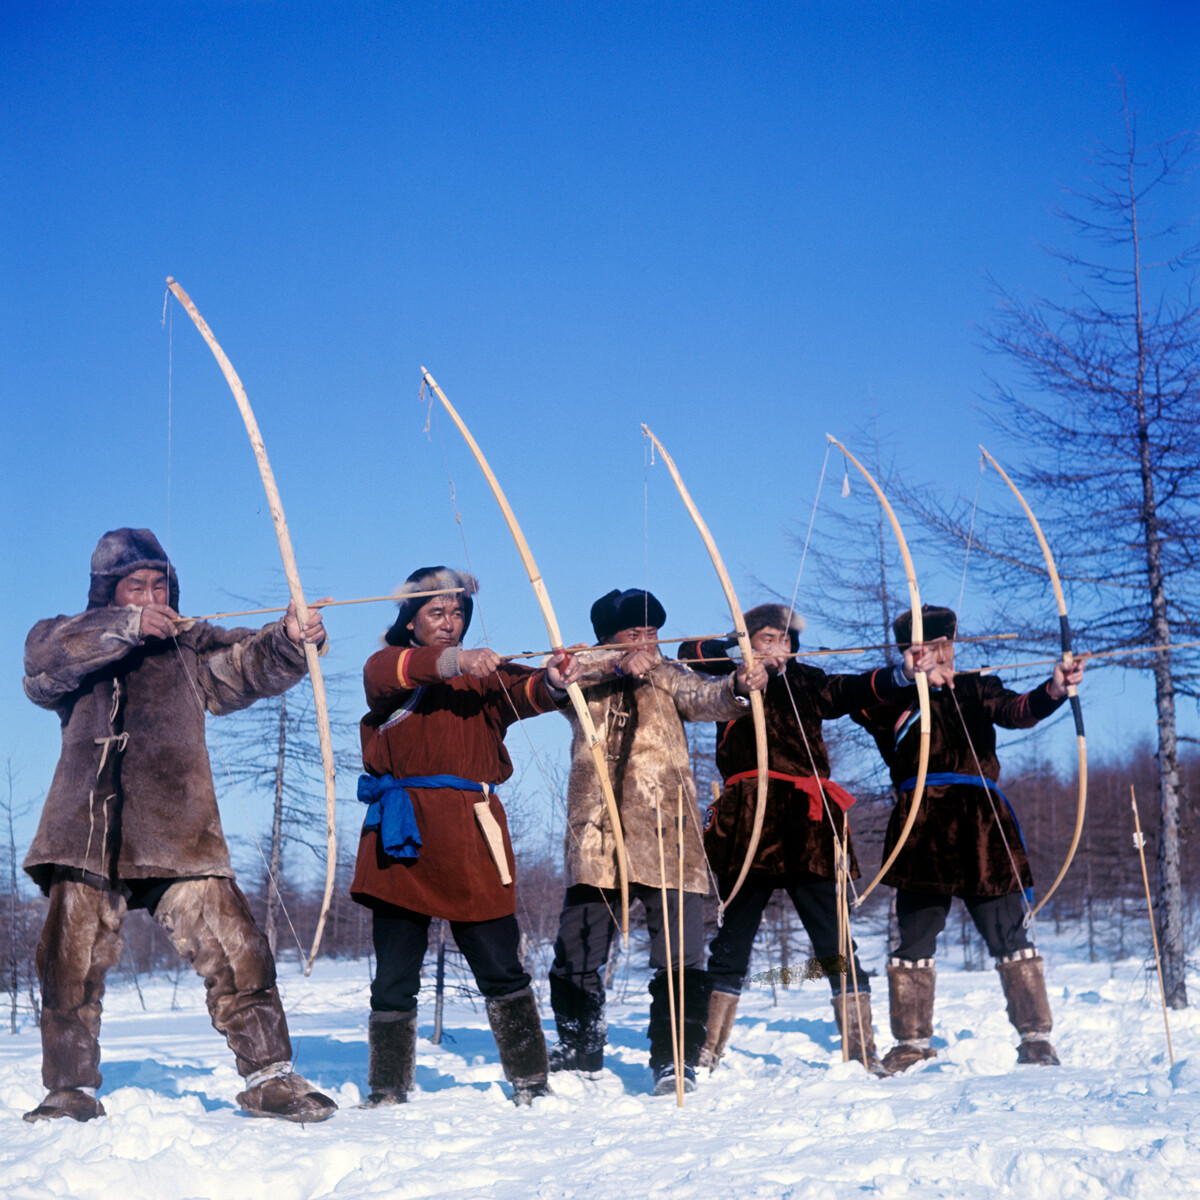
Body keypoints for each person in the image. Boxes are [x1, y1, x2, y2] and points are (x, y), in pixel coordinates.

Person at [22, 528, 336, 1123]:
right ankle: (68, 1090)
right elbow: (42, 663)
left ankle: (271, 1077)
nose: (148, 596)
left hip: (177, 833)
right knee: (67, 961)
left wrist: (293, 641)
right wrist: (124, 629)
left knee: (239, 949)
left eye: (157, 585)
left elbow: (247, 663)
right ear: (107, 594)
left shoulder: (188, 648)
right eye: (132, 586)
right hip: (85, 834)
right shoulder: (73, 643)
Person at [350, 567, 580, 1107]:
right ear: (411, 621)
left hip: (473, 835)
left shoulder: (482, 679)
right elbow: (388, 672)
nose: (450, 623)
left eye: (457, 613)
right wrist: (456, 661)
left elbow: (529, 690)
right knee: (393, 977)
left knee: (501, 967)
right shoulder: (391, 667)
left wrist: (555, 678)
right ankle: (387, 1087)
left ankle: (531, 1081)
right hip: (402, 835)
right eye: (436, 612)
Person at [547, 587, 767, 1095]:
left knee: (682, 956)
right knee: (577, 950)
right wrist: (614, 664)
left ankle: (675, 1060)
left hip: (668, 834)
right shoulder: (582, 672)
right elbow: (562, 678)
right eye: (634, 634)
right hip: (597, 836)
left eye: (652, 633)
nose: (647, 642)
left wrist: (738, 683)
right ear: (610, 638)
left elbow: (708, 697)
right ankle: (579, 1048)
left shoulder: (667, 674)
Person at [850, 604, 1085, 1072]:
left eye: (946, 646)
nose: (943, 655)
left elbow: (1017, 710)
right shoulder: (892, 701)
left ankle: (1036, 1037)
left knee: (1008, 930)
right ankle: (912, 1042)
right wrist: (906, 677)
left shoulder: (977, 687)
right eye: (930, 648)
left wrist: (1055, 689)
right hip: (922, 825)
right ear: (910, 653)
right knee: (915, 935)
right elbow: (854, 699)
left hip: (981, 822)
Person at [681, 604, 900, 1074]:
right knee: (731, 941)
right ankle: (707, 1051)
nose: (775, 646)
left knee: (836, 942)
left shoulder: (808, 680)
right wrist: (742, 658)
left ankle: (862, 1052)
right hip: (747, 822)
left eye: (783, 640)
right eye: (764, 638)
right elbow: (687, 651)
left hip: (807, 822)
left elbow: (856, 688)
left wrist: (903, 673)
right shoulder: (729, 676)